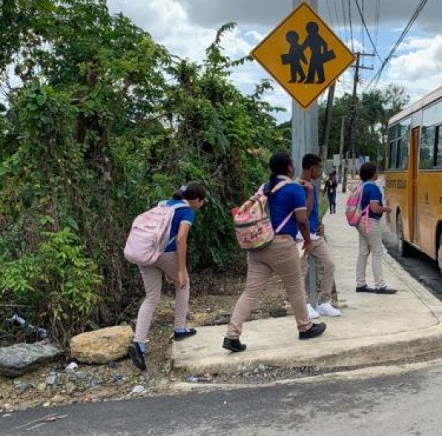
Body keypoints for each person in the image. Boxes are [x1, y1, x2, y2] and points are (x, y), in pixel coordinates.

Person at [223, 153, 326, 353]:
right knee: (295, 287)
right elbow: (302, 219)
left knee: (250, 292)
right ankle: (305, 327)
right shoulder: (294, 189)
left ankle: (232, 335)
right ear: (289, 168)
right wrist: (307, 241)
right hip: (281, 245)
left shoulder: (265, 187)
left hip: (258, 245)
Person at [128, 182, 207, 371]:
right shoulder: (187, 212)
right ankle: (179, 328)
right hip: (167, 254)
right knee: (183, 284)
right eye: (202, 201)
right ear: (196, 200)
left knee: (151, 297)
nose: (202, 204)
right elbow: (180, 239)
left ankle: (139, 343)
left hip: (146, 253)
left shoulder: (163, 204)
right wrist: (180, 270)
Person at [298, 154, 340, 319]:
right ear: (312, 168)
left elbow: (314, 211)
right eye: (319, 168)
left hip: (316, 236)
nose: (320, 171)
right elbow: (304, 214)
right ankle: (304, 305)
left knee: (330, 265)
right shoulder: (298, 187)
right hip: (302, 237)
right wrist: (309, 191)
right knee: (302, 271)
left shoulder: (312, 186)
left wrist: (321, 224)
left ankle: (323, 302)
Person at [355, 162, 396, 294]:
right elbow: (374, 208)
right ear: (373, 174)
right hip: (370, 222)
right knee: (377, 252)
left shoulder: (361, 187)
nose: (377, 173)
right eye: (376, 171)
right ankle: (380, 285)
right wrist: (386, 209)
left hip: (360, 220)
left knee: (363, 252)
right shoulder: (372, 188)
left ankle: (360, 283)